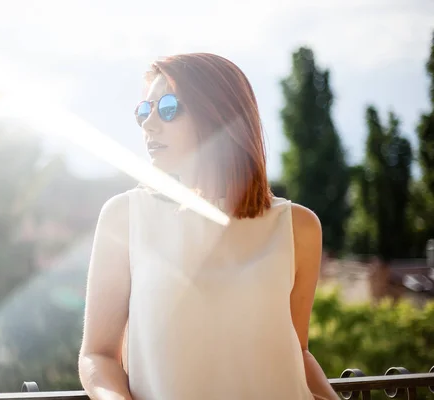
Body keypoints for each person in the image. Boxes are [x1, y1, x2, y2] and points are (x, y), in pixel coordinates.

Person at [78, 53, 339, 400]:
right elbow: (97, 355)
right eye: (145, 110)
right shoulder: (125, 217)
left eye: (169, 108)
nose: (149, 124)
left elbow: (298, 353)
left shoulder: (298, 226)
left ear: (219, 113)